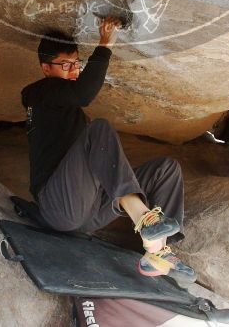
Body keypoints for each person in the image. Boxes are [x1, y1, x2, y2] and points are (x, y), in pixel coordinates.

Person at [20, 17, 196, 283]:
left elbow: (77, 97)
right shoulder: (37, 94)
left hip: (90, 213)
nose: (74, 70)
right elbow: (83, 93)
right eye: (65, 65)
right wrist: (105, 44)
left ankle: (158, 252)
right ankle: (144, 219)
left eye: (76, 63)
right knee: (99, 128)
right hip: (59, 208)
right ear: (46, 68)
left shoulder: (71, 117)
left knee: (166, 169)